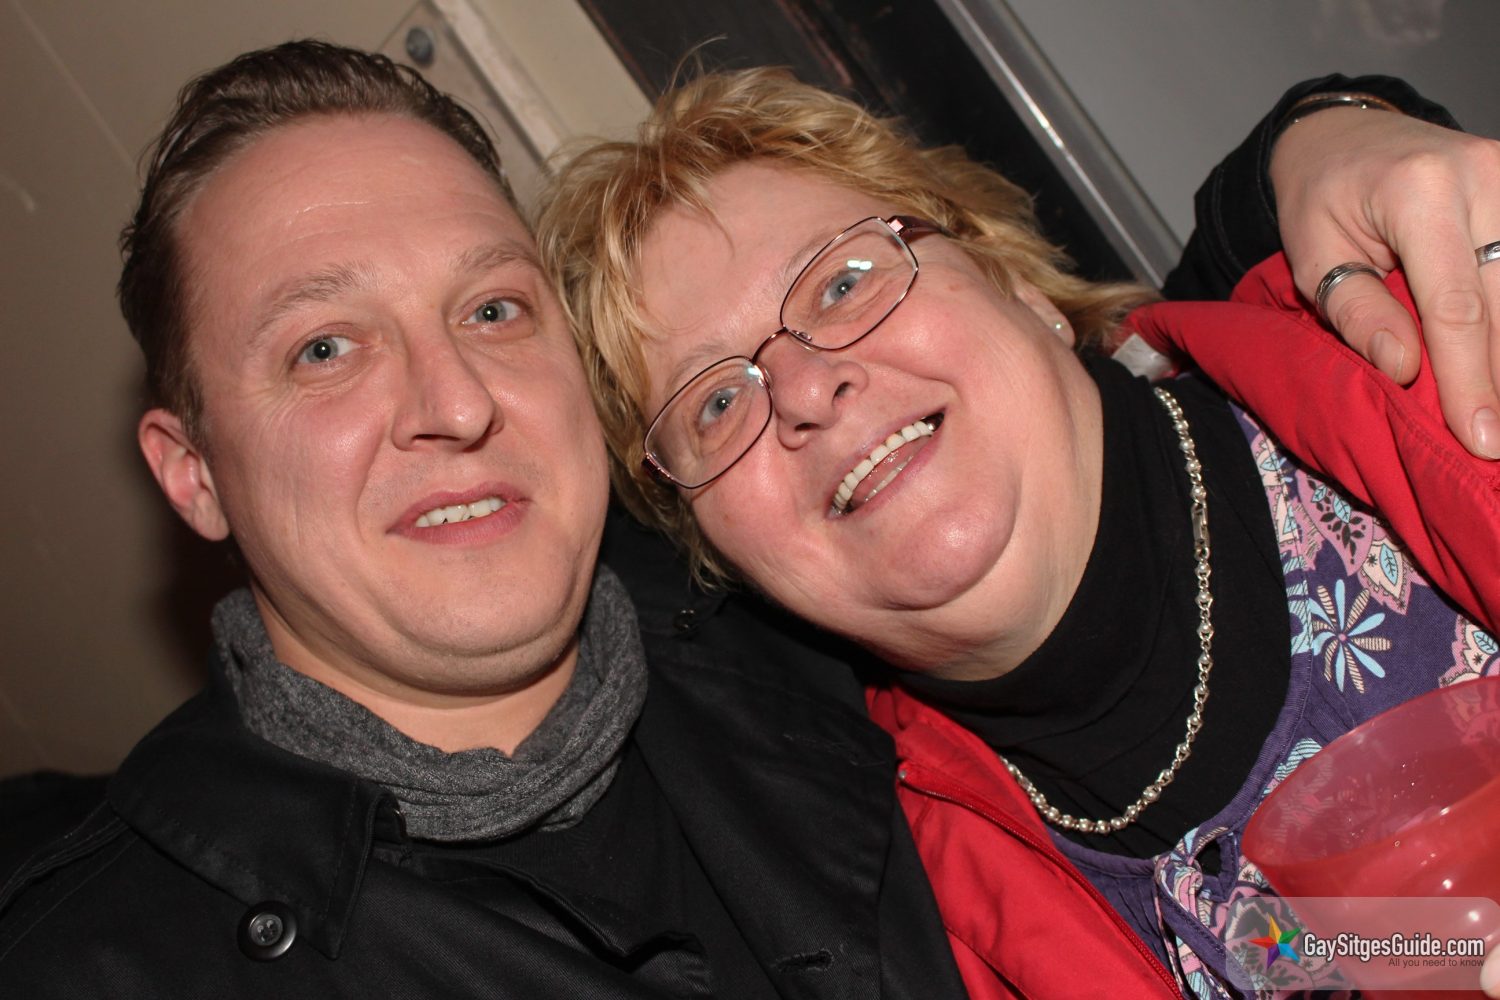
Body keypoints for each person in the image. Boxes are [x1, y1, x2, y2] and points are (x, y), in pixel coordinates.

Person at [0, 38, 1490, 1000]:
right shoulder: (112, 960)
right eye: (324, 346)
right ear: (191, 472)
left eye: (494, 309)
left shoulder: (797, 699)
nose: (448, 400)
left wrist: (1329, 130)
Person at [540, 67, 1500, 998]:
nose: (803, 391)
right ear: (719, 555)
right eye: (714, 405)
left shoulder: (1436, 365)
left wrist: (1322, 120)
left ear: (1021, 286)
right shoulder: (904, 925)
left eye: (841, 284)